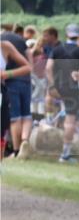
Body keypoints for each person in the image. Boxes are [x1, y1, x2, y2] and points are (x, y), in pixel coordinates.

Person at [47, 24, 79, 163]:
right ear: (78, 35)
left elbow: (48, 68)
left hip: (57, 88)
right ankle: (65, 154)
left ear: (66, 34)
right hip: (72, 87)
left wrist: (53, 83)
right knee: (70, 120)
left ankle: (49, 141)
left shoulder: (57, 49)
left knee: (57, 113)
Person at [0, 26, 33, 157]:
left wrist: (6, 74)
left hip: (3, 91)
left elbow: (27, 66)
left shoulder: (4, 46)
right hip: (21, 85)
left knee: (7, 126)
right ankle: (19, 146)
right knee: (22, 116)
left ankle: (16, 149)